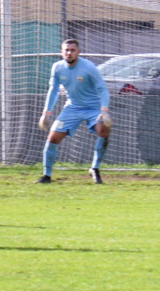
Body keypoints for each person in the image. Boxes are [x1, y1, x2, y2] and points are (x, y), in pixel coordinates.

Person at [37, 38, 111, 183]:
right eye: (66, 50)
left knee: (103, 130)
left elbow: (102, 88)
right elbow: (53, 90)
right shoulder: (57, 67)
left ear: (78, 52)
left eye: (72, 50)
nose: (69, 53)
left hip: (94, 108)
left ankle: (94, 168)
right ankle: (46, 175)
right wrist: (46, 113)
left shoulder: (88, 67)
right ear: (61, 52)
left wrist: (104, 110)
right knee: (53, 138)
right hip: (72, 108)